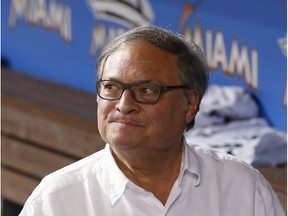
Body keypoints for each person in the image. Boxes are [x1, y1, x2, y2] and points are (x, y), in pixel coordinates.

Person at [20, 26, 285, 216]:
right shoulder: (56, 200)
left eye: (146, 91)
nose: (124, 105)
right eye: (111, 87)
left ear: (190, 104)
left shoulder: (243, 188)